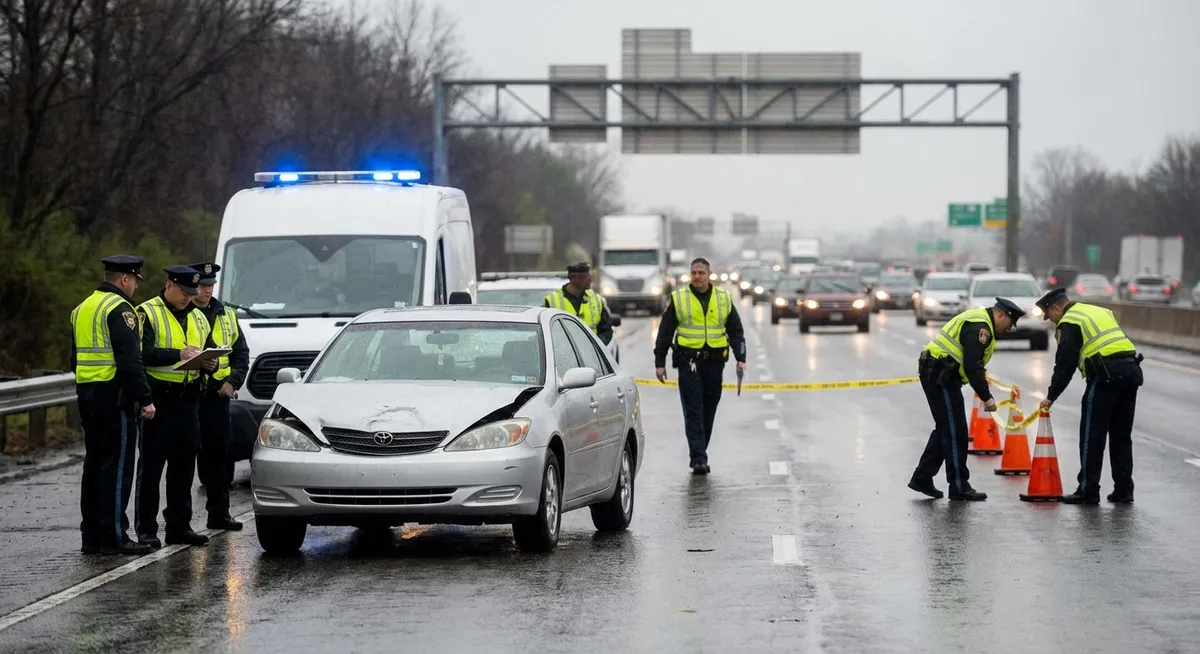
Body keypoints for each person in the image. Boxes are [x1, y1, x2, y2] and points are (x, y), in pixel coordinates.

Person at [70, 255, 157, 555]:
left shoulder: (82, 308)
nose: (134, 286)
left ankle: (91, 536)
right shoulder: (121, 310)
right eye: (134, 280)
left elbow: (74, 358)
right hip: (114, 398)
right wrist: (145, 399)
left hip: (87, 394)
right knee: (118, 468)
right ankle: (116, 536)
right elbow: (131, 361)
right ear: (124, 279)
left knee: (93, 466)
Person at [908, 298, 1025, 501]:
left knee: (947, 428)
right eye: (1009, 323)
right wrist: (986, 397)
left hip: (939, 373)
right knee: (955, 432)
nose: (1009, 329)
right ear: (1001, 314)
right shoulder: (981, 327)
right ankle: (959, 486)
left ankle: (922, 477)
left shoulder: (980, 321)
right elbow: (972, 365)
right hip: (940, 374)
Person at [1035, 287, 1142, 504]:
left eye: (1050, 315)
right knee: (1121, 436)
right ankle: (1124, 490)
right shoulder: (1097, 311)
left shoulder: (1070, 321)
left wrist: (1051, 396)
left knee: (1092, 435)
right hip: (1131, 370)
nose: (1051, 321)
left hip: (1106, 375)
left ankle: (1088, 490)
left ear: (1057, 307)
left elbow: (1065, 365)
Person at [134, 265, 214, 548]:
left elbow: (209, 346)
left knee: (183, 469)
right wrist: (177, 354)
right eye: (183, 292)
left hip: (188, 401)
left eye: (192, 293)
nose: (188, 298)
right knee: (152, 468)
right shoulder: (147, 312)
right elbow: (141, 354)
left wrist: (209, 363)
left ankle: (179, 526)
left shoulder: (199, 317)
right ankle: (146, 529)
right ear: (168, 286)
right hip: (160, 400)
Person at [653, 257, 747, 474]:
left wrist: (741, 358)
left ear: (709, 275)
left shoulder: (723, 298)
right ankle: (698, 458)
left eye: (701, 273)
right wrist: (660, 362)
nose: (697, 277)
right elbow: (665, 332)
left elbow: (736, 330)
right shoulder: (679, 298)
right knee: (694, 410)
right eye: (693, 273)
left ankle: (700, 449)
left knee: (709, 408)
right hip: (689, 362)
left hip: (715, 362)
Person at [189, 262, 249, 530]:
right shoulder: (183, 313)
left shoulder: (226, 314)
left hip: (218, 398)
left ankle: (219, 514)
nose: (206, 291)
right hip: (188, 397)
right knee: (183, 459)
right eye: (202, 286)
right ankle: (180, 522)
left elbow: (241, 353)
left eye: (210, 286)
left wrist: (233, 382)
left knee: (218, 457)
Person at [541, 262, 614, 345]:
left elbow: (606, 330)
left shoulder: (597, 300)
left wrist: (596, 346)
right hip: (562, 353)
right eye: (586, 277)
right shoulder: (551, 301)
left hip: (591, 353)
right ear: (573, 278)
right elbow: (545, 331)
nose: (590, 280)